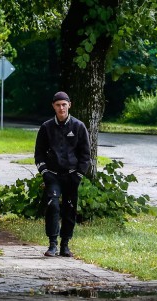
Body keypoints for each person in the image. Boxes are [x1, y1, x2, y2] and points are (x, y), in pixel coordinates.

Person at [34, 91, 91, 257]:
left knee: (70, 208)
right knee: (53, 205)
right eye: (58, 105)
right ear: (53, 106)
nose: (61, 108)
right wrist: (44, 172)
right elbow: (39, 153)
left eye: (64, 104)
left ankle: (65, 244)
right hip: (52, 175)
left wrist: (79, 174)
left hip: (72, 175)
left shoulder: (79, 126)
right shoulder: (46, 127)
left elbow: (85, 155)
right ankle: (52, 243)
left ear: (69, 105)